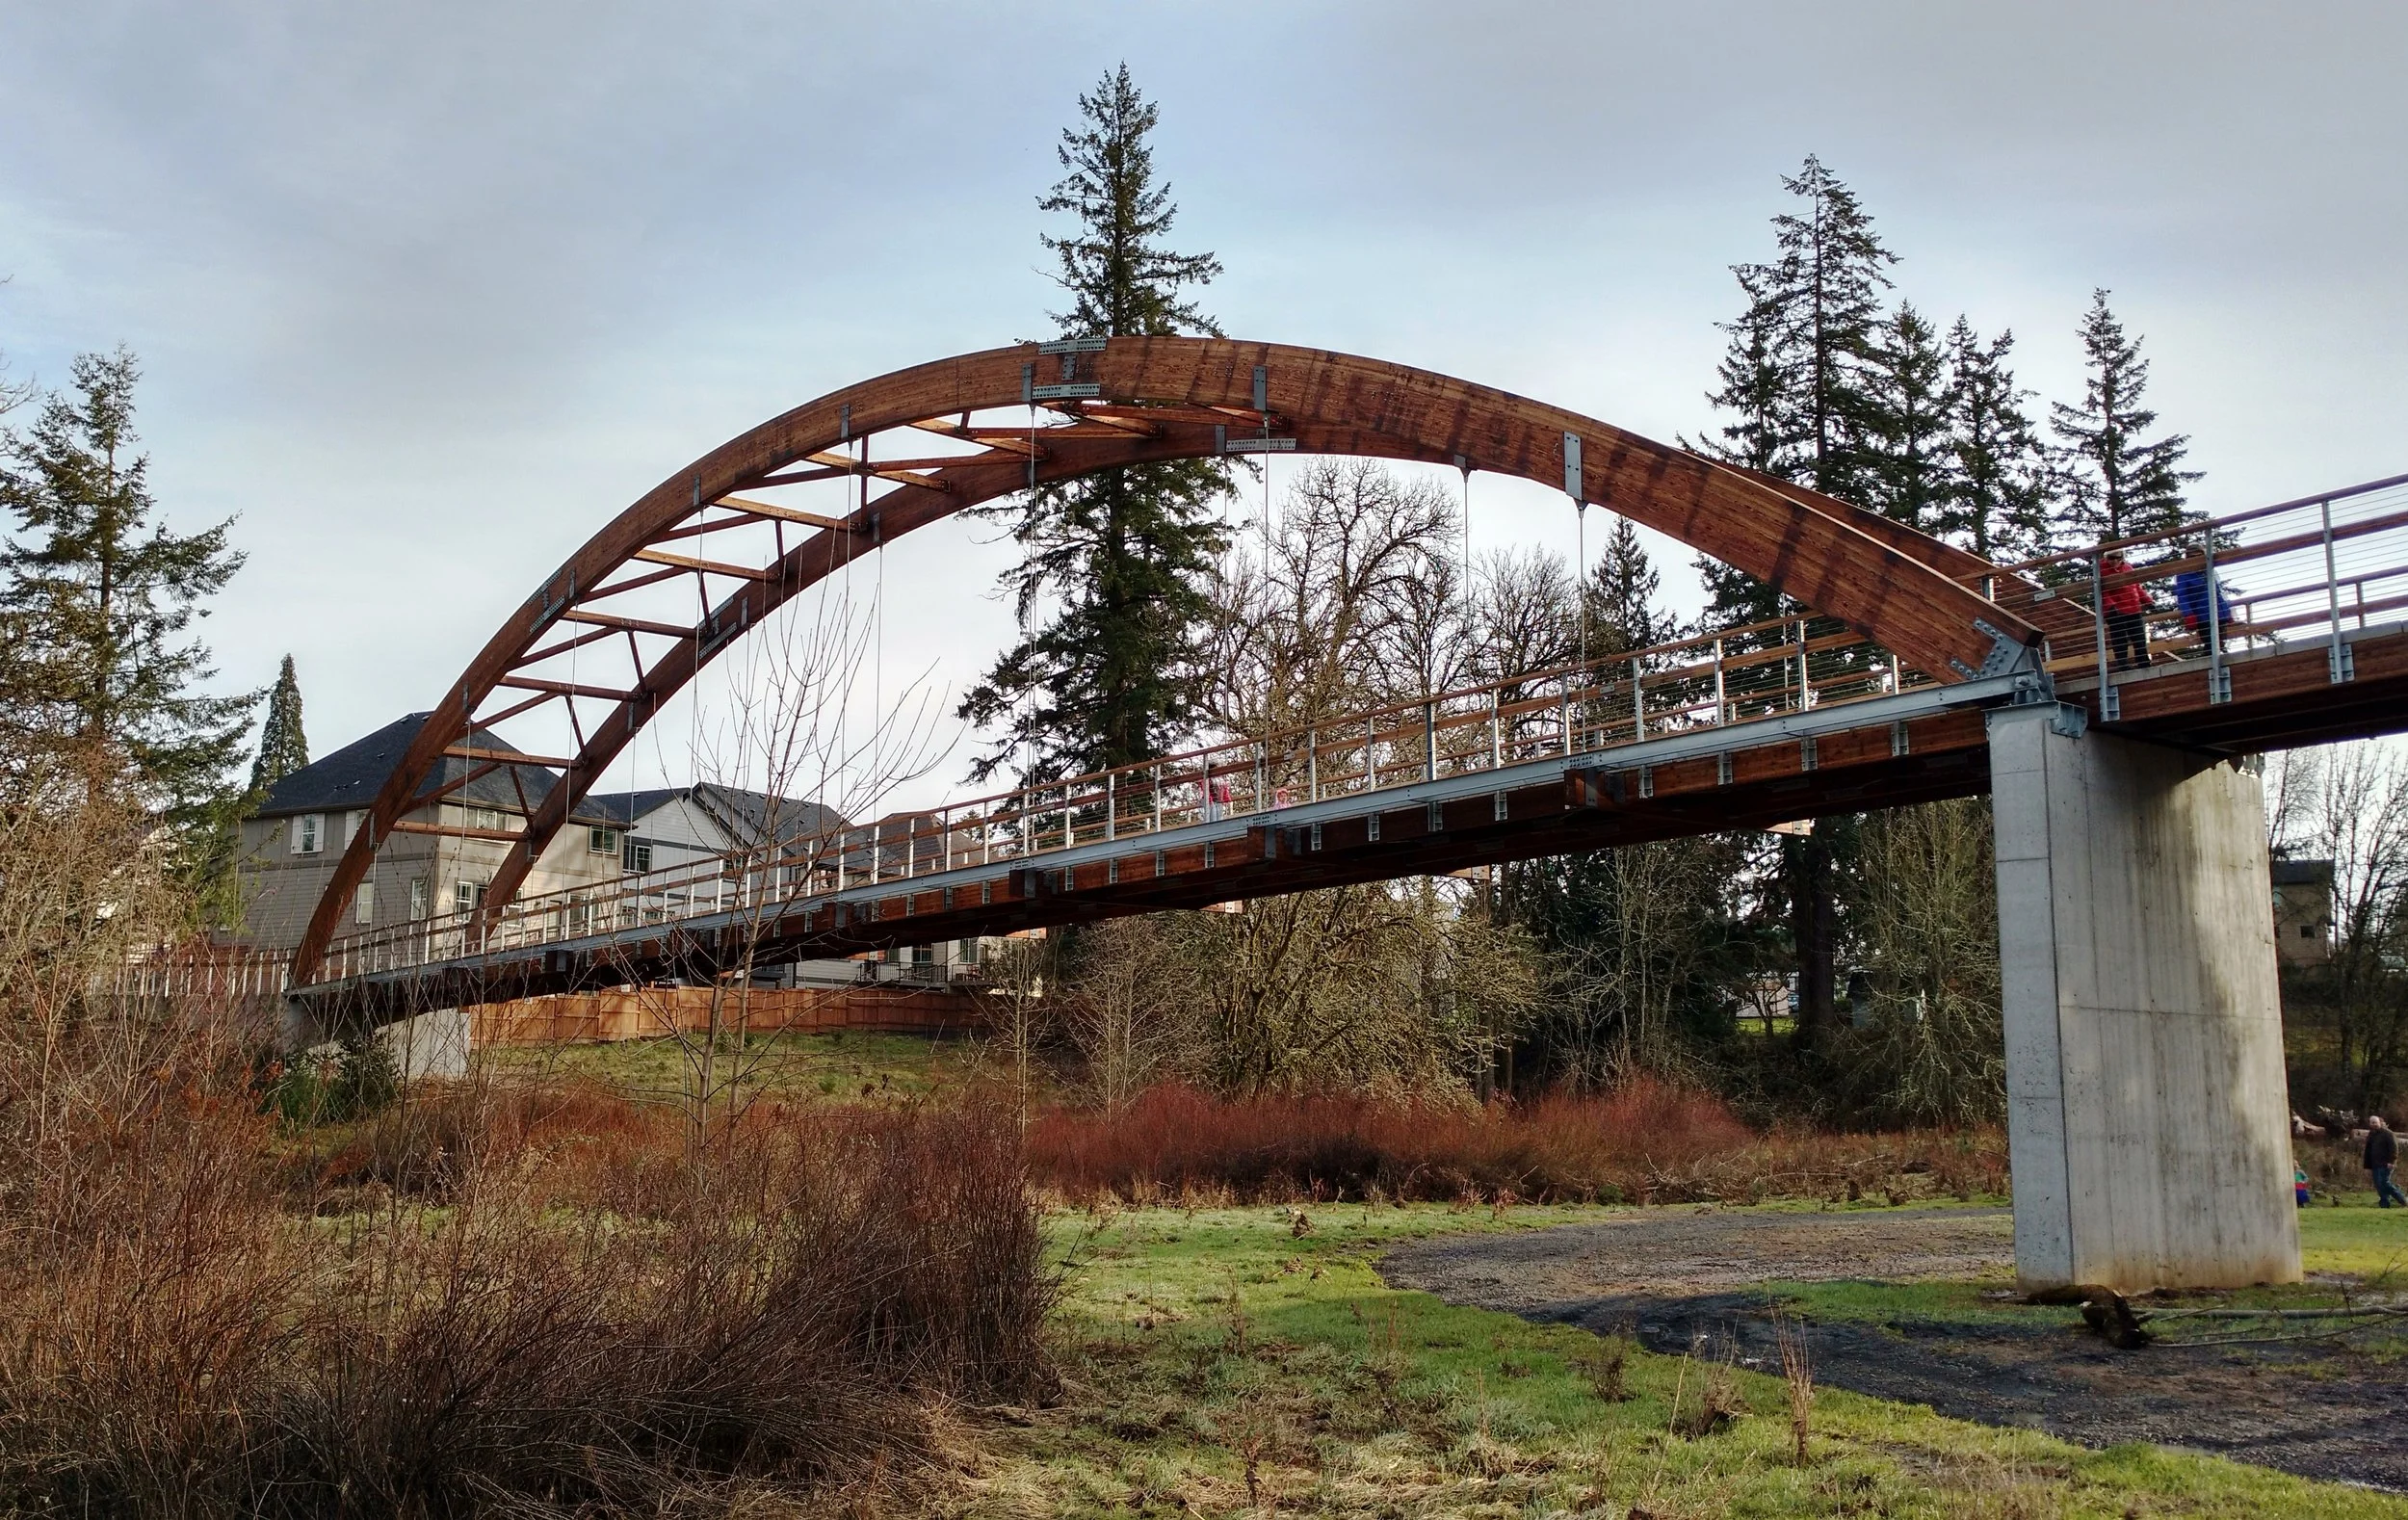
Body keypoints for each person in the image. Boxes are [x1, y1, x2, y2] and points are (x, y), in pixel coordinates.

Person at [2100, 552, 2150, 669]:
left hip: (2133, 608)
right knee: (2120, 639)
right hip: (2116, 611)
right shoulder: (2101, 571)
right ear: (2106, 558)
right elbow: (2102, 592)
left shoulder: (2128, 567)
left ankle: (2144, 662)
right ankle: (2123, 664)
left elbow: (2136, 586)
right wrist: (2111, 606)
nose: (2115, 561)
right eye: (2112, 558)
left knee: (2139, 637)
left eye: (2119, 558)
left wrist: (2147, 600)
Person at [2174, 563, 2237, 654]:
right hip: (2202, 615)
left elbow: (2218, 593)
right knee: (2210, 643)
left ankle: (2217, 663)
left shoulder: (2208, 571)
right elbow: (2182, 596)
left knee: (2219, 641)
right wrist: (2188, 614)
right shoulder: (2184, 575)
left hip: (2218, 612)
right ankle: (2212, 664)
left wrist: (2226, 611)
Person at [2366, 1114, 2405, 1208]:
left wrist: (2392, 1162)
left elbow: (2394, 1148)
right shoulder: (2371, 1135)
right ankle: (2384, 1203)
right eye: (2372, 1123)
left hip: (2386, 1164)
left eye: (2375, 1122)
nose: (2373, 1124)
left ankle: (2402, 1199)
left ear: (2380, 1122)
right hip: (2375, 1164)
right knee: (2379, 1185)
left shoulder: (2388, 1134)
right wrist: (2367, 1166)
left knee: (2384, 1182)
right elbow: (2368, 1150)